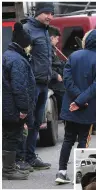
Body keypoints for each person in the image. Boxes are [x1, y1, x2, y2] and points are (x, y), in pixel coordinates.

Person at [55, 29, 96, 183]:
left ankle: (61, 172)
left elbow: (67, 79)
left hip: (70, 105)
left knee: (68, 139)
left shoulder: (73, 56)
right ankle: (80, 174)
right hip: (87, 107)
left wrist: (77, 99)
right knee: (83, 140)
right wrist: (82, 100)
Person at [22, 2, 54, 169]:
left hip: (44, 83)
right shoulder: (27, 29)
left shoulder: (44, 30)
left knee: (35, 123)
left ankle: (30, 157)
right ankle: (20, 160)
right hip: (32, 84)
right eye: (46, 13)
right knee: (25, 122)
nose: (49, 16)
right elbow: (22, 58)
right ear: (38, 13)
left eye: (51, 13)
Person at [2, 22, 35, 180]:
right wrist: (23, 109)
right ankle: (8, 170)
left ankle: (10, 167)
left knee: (10, 136)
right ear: (24, 45)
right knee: (12, 137)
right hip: (13, 107)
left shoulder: (8, 56)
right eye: (29, 45)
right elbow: (19, 87)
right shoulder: (17, 60)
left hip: (7, 106)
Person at [48, 25, 66, 118]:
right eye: (56, 38)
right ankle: (63, 115)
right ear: (51, 38)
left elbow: (57, 63)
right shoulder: (47, 50)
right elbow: (46, 66)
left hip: (57, 76)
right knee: (63, 92)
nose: (58, 41)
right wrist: (55, 75)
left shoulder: (52, 49)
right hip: (52, 80)